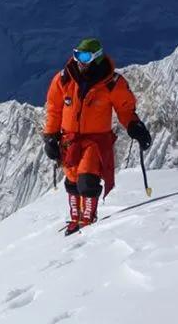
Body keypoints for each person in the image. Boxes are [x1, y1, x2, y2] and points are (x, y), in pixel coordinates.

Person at [42, 38, 152, 235]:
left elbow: (125, 108)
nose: (79, 61)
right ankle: (75, 218)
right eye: (76, 55)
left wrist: (134, 125)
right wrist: (50, 135)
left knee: (87, 180)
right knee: (72, 180)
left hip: (95, 141)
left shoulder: (111, 83)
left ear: (97, 58)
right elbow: (54, 109)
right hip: (69, 139)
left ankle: (88, 218)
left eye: (84, 56)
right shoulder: (64, 79)